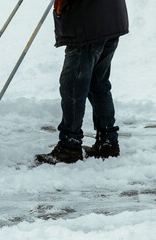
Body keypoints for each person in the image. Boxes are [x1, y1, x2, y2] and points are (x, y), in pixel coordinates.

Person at [35, 0, 129, 164]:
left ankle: (69, 146)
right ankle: (107, 142)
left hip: (87, 25)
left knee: (72, 87)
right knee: (98, 83)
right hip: (110, 19)